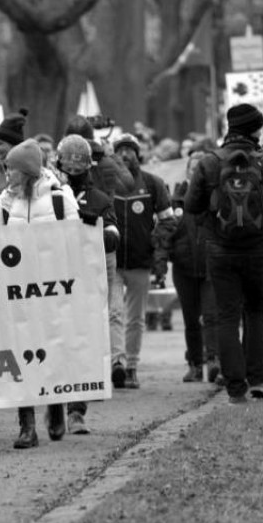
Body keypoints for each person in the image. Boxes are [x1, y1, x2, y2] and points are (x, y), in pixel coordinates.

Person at [184, 104, 263, 404]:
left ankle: (234, 388)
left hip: (220, 250)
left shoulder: (208, 163)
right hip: (258, 250)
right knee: (257, 311)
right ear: (254, 130)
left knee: (227, 314)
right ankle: (257, 380)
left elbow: (191, 207)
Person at [0, 138, 80, 448]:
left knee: (50, 348)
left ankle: (55, 406)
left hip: (52, 289)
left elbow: (77, 237)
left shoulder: (59, 197)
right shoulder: (7, 200)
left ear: (26, 171)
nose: (6, 174)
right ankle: (26, 424)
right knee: (19, 352)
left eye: (10, 168)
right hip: (17, 290)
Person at [54, 134, 120, 434]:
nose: (72, 169)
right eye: (68, 164)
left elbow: (114, 239)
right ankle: (55, 405)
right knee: (54, 346)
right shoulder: (48, 195)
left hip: (85, 284)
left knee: (81, 346)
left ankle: (77, 410)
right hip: (51, 283)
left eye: (78, 165)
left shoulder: (100, 199)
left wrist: (94, 226)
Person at [111, 133, 174, 389]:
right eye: (120, 150)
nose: (125, 155)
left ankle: (132, 367)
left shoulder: (153, 184)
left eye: (130, 150)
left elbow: (168, 221)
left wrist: (155, 247)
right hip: (112, 261)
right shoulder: (106, 184)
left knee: (136, 317)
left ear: (138, 155)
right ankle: (118, 363)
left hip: (140, 260)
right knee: (114, 313)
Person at [160, 148, 219, 383]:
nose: (196, 172)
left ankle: (214, 360)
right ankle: (195, 364)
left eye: (200, 169)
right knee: (190, 319)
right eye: (193, 168)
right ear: (187, 171)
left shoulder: (214, 197)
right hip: (184, 268)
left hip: (210, 266)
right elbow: (165, 232)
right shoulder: (175, 199)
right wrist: (164, 260)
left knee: (212, 316)